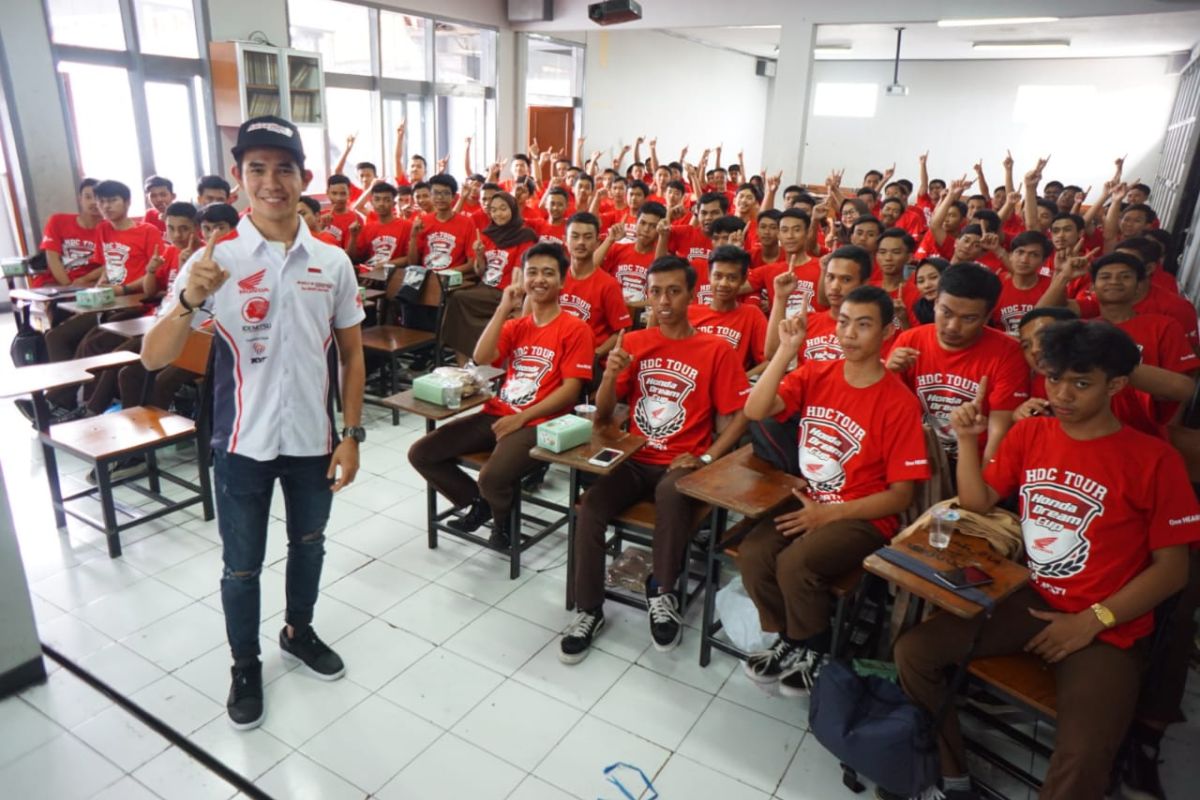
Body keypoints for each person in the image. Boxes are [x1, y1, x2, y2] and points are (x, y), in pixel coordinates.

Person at [894, 319, 1200, 800]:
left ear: (1116, 385)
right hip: (1030, 597)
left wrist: (1090, 622)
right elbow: (977, 501)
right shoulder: (1031, 433)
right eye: (1055, 378)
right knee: (913, 653)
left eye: (1081, 383)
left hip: (1108, 624)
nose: (1062, 393)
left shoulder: (1153, 460)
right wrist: (969, 440)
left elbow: (1173, 570)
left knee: (1083, 760)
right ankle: (951, 777)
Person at [140, 115, 366, 731]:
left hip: (313, 441)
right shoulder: (214, 261)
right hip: (240, 442)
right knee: (241, 566)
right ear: (239, 180)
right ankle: (245, 663)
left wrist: (351, 434)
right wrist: (190, 301)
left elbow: (352, 354)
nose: (272, 182)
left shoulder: (332, 261)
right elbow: (154, 357)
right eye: (257, 169)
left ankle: (299, 630)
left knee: (310, 545)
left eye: (284, 168)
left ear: (304, 177)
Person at [560, 256, 750, 663]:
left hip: (680, 462)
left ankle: (662, 591)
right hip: (633, 454)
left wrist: (708, 455)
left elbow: (739, 418)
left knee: (671, 495)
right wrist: (610, 375)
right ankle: (588, 608)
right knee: (590, 505)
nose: (664, 300)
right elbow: (606, 414)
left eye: (674, 291)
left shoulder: (716, 350)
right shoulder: (634, 342)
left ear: (691, 294)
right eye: (656, 291)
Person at [740, 284, 929, 692]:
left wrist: (828, 514)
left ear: (886, 332)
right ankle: (792, 638)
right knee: (753, 554)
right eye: (843, 322)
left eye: (863, 325)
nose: (848, 334)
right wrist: (787, 352)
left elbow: (902, 496)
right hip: (812, 499)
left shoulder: (899, 403)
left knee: (795, 564)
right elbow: (754, 410)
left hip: (863, 515)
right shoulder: (816, 373)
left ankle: (818, 647)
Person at [409, 243, 593, 547]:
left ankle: (503, 522)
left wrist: (522, 418)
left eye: (548, 273)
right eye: (532, 272)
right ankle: (479, 504)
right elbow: (481, 357)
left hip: (540, 422)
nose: (539, 280)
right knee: (422, 453)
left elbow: (571, 391)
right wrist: (502, 307)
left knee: (492, 477)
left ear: (562, 281)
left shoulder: (575, 329)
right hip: (498, 413)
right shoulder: (517, 325)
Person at [886, 263, 1028, 462]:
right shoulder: (910, 341)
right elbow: (885, 415)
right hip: (918, 456)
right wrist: (886, 376)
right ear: (935, 302)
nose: (953, 326)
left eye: (968, 318)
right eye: (946, 312)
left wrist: (981, 489)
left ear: (987, 317)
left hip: (972, 461)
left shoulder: (1007, 354)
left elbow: (997, 437)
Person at [441, 191, 539, 361]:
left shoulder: (525, 236)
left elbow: (519, 274)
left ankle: (478, 360)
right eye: (493, 210)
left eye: (503, 209)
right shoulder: (487, 235)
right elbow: (480, 272)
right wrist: (479, 255)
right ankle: (463, 364)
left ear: (513, 210)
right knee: (455, 299)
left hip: (503, 292)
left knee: (458, 298)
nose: (498, 214)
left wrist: (513, 300)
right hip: (484, 288)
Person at [765, 245, 874, 362]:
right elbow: (772, 355)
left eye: (846, 279)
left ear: (864, 283)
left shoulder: (871, 329)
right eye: (830, 277)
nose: (835, 287)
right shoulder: (807, 322)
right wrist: (780, 297)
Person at [559, 212, 632, 361]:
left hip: (587, 360)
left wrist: (597, 353)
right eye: (575, 236)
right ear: (564, 240)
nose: (581, 242)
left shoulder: (608, 285)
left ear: (598, 242)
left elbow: (621, 331)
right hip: (554, 352)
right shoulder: (555, 278)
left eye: (587, 237)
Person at [684, 244, 767, 373]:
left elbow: (768, 361)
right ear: (709, 275)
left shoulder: (752, 315)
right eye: (718, 276)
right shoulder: (689, 313)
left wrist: (741, 380)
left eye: (732, 278)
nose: (723, 284)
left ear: (743, 279)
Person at [35, 178, 103, 287]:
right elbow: (52, 258)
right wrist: (68, 286)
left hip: (89, 284)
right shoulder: (58, 221)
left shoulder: (110, 230)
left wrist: (85, 280)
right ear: (80, 199)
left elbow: (110, 265)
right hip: (53, 283)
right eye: (88, 197)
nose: (93, 202)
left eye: (97, 197)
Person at [595, 201, 665, 304]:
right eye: (642, 223)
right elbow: (589, 268)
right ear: (635, 223)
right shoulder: (618, 248)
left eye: (653, 226)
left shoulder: (661, 258)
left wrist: (628, 306)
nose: (646, 229)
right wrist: (609, 239)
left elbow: (659, 299)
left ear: (659, 229)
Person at [992, 230, 1053, 334]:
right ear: (1010, 255)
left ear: (1043, 261)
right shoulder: (995, 284)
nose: (1024, 260)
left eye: (1034, 255)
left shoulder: (1051, 287)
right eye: (1020, 252)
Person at [346, 182, 412, 270]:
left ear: (394, 203)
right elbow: (353, 258)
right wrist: (353, 237)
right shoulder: (367, 228)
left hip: (394, 275)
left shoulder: (407, 226)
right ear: (372, 202)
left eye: (386, 200)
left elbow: (412, 258)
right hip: (370, 274)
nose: (381, 203)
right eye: (377, 199)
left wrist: (387, 264)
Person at [321, 175, 362, 249]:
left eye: (343, 193)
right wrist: (320, 227)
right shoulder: (319, 216)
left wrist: (353, 236)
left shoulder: (356, 219)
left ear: (349, 193)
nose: (338, 198)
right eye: (334, 193)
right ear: (327, 193)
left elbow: (352, 257)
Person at [910, 257, 948, 326]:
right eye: (921, 281)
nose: (927, 285)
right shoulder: (919, 309)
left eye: (933, 277)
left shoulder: (961, 305)